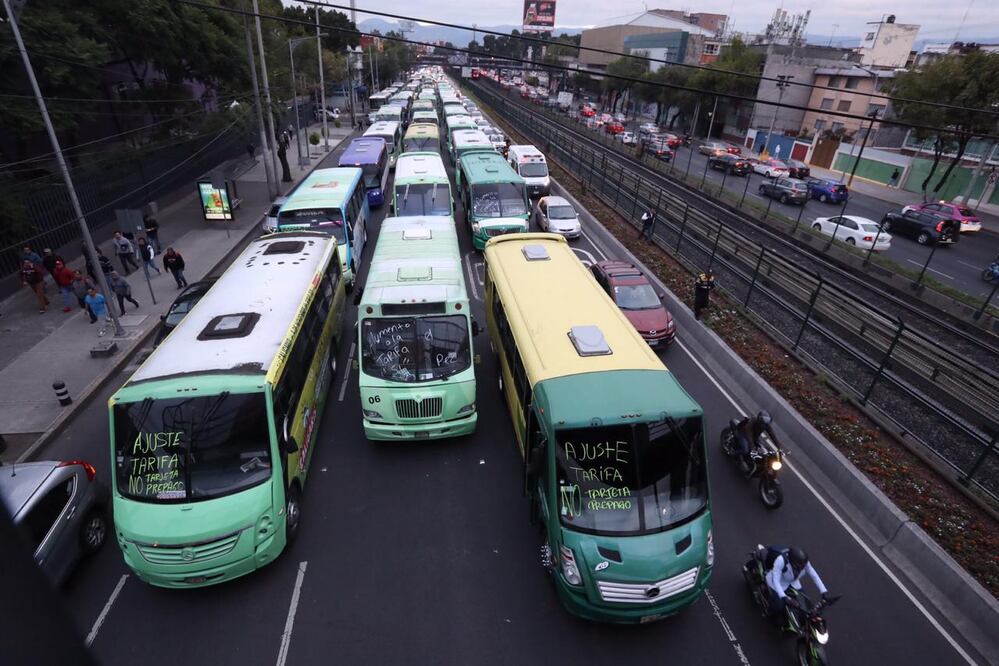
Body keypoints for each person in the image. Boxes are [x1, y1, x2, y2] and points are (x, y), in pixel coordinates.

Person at [765, 547, 829, 629]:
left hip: (792, 583)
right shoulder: (781, 561)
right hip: (777, 584)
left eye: (802, 567)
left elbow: (814, 575)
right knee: (779, 605)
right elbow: (776, 580)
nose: (801, 569)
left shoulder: (803, 563)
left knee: (805, 604)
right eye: (798, 567)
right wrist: (784, 597)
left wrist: (823, 591)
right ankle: (768, 611)